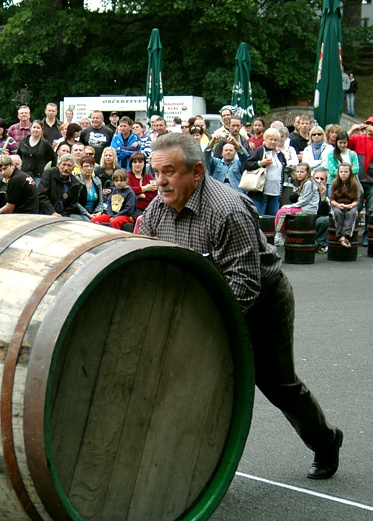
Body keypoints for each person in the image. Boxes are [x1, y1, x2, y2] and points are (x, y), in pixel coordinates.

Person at [139, 132, 343, 480]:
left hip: (262, 304)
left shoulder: (228, 210)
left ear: (198, 172)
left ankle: (326, 442)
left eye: (169, 172)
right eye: (156, 172)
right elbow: (146, 261)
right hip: (205, 304)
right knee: (196, 384)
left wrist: (203, 331)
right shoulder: (157, 209)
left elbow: (245, 284)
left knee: (278, 385)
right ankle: (194, 474)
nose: (160, 182)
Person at [347, 117, 373, 246]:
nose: (370, 127)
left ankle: (367, 236)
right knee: (356, 208)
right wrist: (353, 129)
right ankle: (351, 233)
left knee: (371, 210)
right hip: (358, 179)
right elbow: (342, 142)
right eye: (368, 125)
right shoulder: (358, 139)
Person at [243, 127, 286, 216]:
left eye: (275, 140)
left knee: (272, 219)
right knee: (260, 219)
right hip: (260, 192)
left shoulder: (280, 154)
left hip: (275, 192)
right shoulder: (260, 150)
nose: (273, 142)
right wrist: (260, 163)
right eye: (271, 139)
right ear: (265, 139)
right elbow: (247, 164)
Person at [273, 162, 319, 244]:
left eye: (302, 172)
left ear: (307, 172)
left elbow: (304, 201)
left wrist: (290, 206)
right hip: (303, 208)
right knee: (283, 210)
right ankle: (283, 236)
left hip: (307, 210)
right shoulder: (303, 183)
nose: (299, 174)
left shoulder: (309, 183)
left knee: (281, 212)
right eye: (297, 172)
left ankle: (278, 235)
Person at [37, 153, 89, 219]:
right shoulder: (49, 173)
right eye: (64, 164)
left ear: (73, 168)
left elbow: (72, 205)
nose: (66, 168)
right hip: (46, 212)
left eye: (69, 165)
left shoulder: (76, 183)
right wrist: (52, 212)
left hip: (63, 215)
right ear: (59, 165)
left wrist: (62, 215)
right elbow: (42, 195)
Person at [329, 163, 360, 248]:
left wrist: (351, 205)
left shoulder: (354, 183)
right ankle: (339, 235)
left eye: (346, 172)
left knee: (351, 213)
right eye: (341, 171)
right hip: (337, 204)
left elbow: (357, 200)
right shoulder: (335, 182)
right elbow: (332, 200)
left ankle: (345, 236)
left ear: (350, 173)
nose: (343, 173)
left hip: (350, 204)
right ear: (338, 172)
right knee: (338, 213)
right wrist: (338, 205)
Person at [127, 152, 157, 216]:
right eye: (135, 162)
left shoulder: (149, 177)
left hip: (149, 208)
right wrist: (145, 188)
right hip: (133, 208)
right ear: (131, 164)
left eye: (140, 162)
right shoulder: (127, 176)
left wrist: (142, 196)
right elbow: (128, 190)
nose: (137, 164)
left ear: (144, 164)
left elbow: (155, 193)